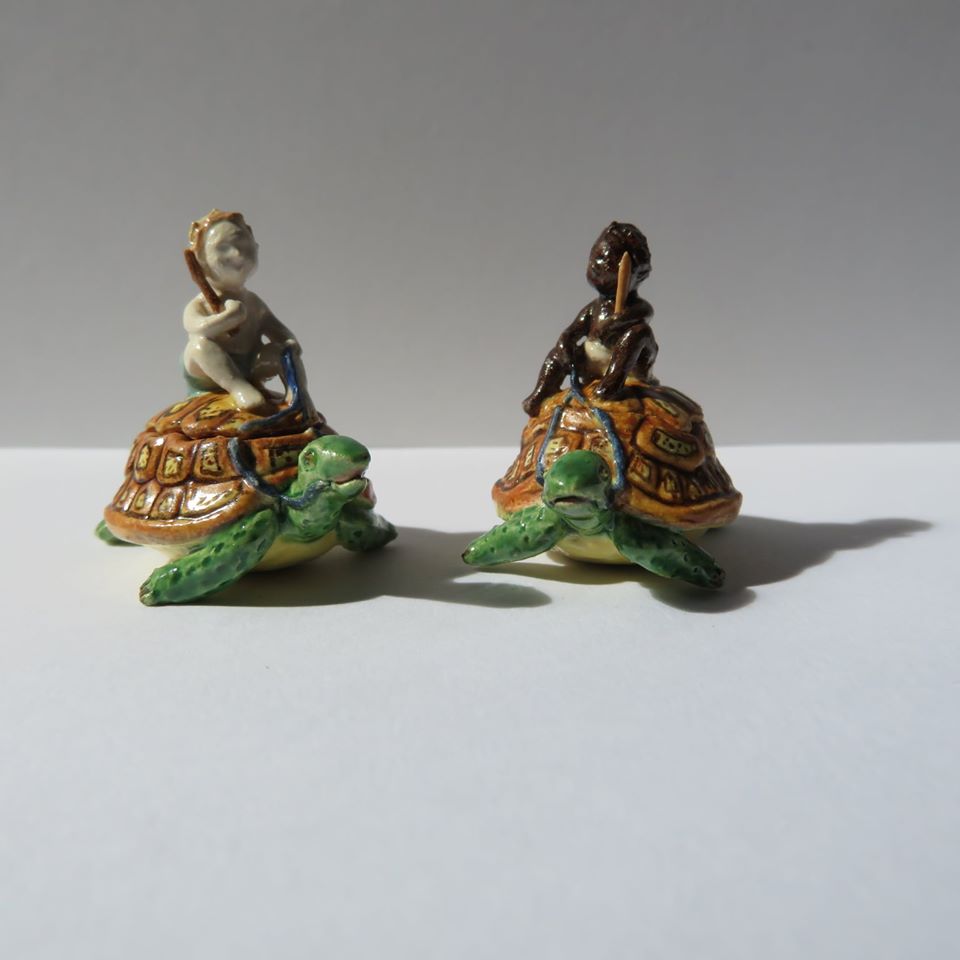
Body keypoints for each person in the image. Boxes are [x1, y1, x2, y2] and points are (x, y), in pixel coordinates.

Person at [523, 221, 659, 416]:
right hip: (590, 362)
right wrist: (565, 344)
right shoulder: (594, 308)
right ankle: (541, 393)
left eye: (606, 260)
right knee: (555, 356)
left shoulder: (639, 308)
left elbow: (642, 317)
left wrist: (616, 322)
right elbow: (572, 331)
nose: (597, 265)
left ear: (637, 275)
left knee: (639, 333)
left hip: (632, 367)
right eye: (595, 257)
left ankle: (612, 384)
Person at [182, 209, 310, 411]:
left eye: (244, 246)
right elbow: (197, 328)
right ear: (200, 259)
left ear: (256, 248)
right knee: (199, 346)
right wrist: (228, 318)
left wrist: (289, 345)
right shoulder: (200, 304)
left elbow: (279, 331)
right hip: (206, 373)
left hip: (252, 366)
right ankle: (238, 387)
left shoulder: (253, 303)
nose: (237, 254)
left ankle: (297, 395)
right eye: (223, 248)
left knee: (283, 350)